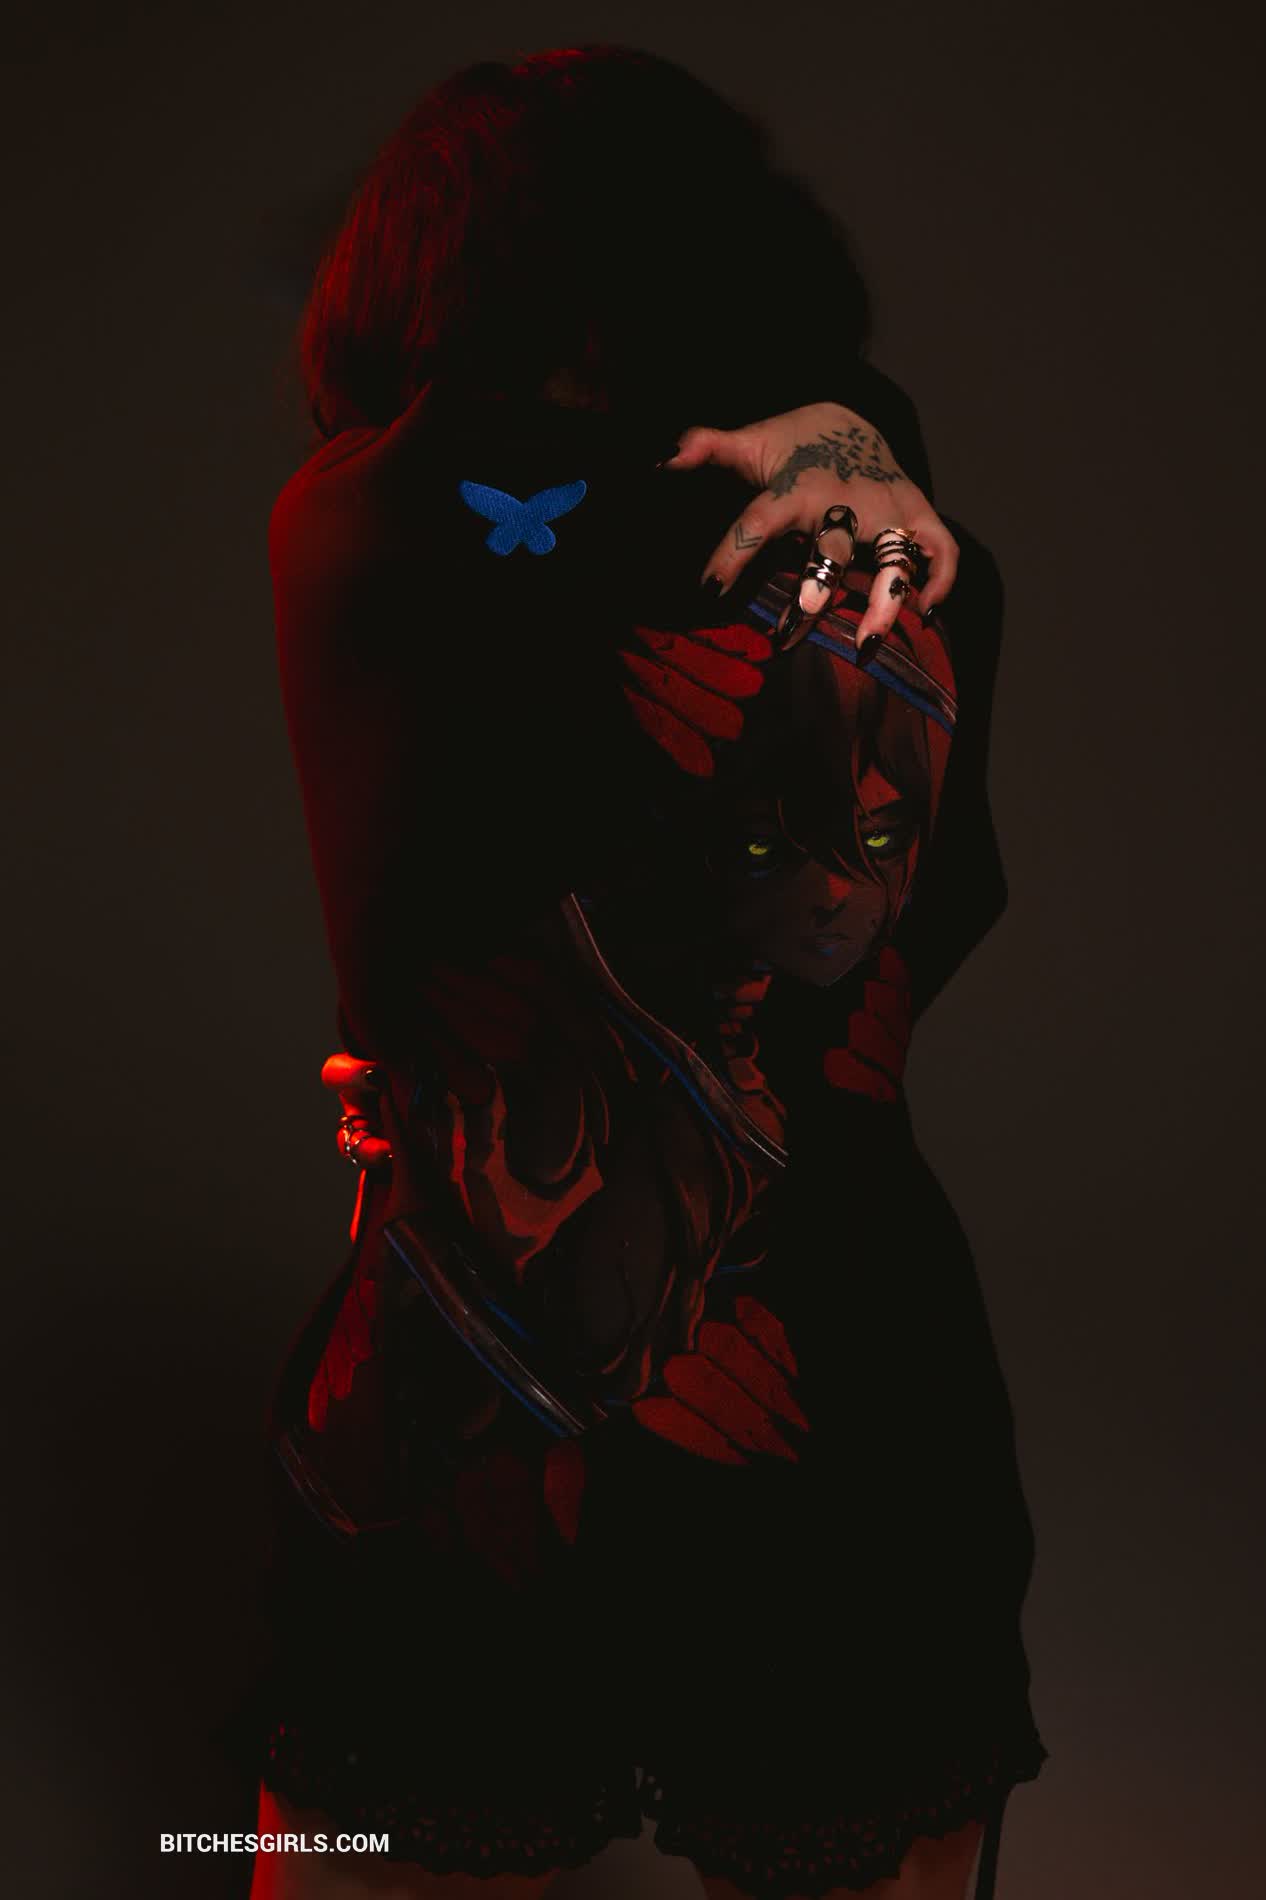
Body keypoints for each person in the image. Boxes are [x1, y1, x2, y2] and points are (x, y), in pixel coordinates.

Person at [236, 44, 1047, 1900]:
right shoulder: (909, 561)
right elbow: (941, 912)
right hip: (812, 1342)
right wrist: (851, 432)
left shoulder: (362, 522)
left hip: (499, 1343)